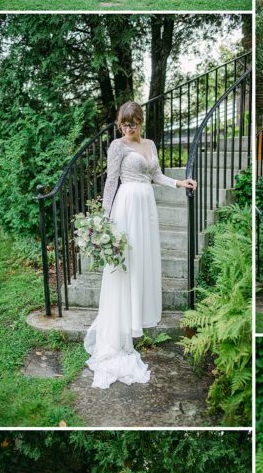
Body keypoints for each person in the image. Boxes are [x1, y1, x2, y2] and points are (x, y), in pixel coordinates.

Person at [84, 101, 197, 389]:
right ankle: (123, 325)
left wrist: (178, 183)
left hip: (146, 209)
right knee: (127, 265)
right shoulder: (117, 146)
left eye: (132, 123)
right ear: (120, 124)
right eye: (124, 123)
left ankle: (137, 316)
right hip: (126, 209)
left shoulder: (150, 144)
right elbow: (111, 183)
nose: (128, 127)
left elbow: (155, 175)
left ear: (140, 121)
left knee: (143, 262)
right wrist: (105, 221)